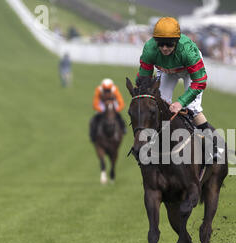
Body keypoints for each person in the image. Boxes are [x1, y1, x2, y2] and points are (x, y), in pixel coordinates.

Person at [137, 16, 222, 162]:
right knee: (159, 103)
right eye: (161, 44)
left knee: (193, 107)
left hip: (190, 71)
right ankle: (155, 142)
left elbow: (200, 82)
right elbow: (143, 78)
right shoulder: (149, 49)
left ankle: (212, 146)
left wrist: (181, 102)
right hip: (167, 71)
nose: (164, 48)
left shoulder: (188, 51)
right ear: (155, 41)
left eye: (169, 44)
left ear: (176, 41)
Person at [90, 78, 126, 142]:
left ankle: (123, 128)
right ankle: (92, 134)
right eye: (105, 90)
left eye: (108, 90)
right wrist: (102, 110)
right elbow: (95, 104)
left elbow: (121, 103)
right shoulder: (99, 90)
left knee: (119, 117)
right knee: (93, 119)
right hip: (102, 104)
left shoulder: (115, 90)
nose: (107, 92)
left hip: (112, 104)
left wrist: (116, 110)